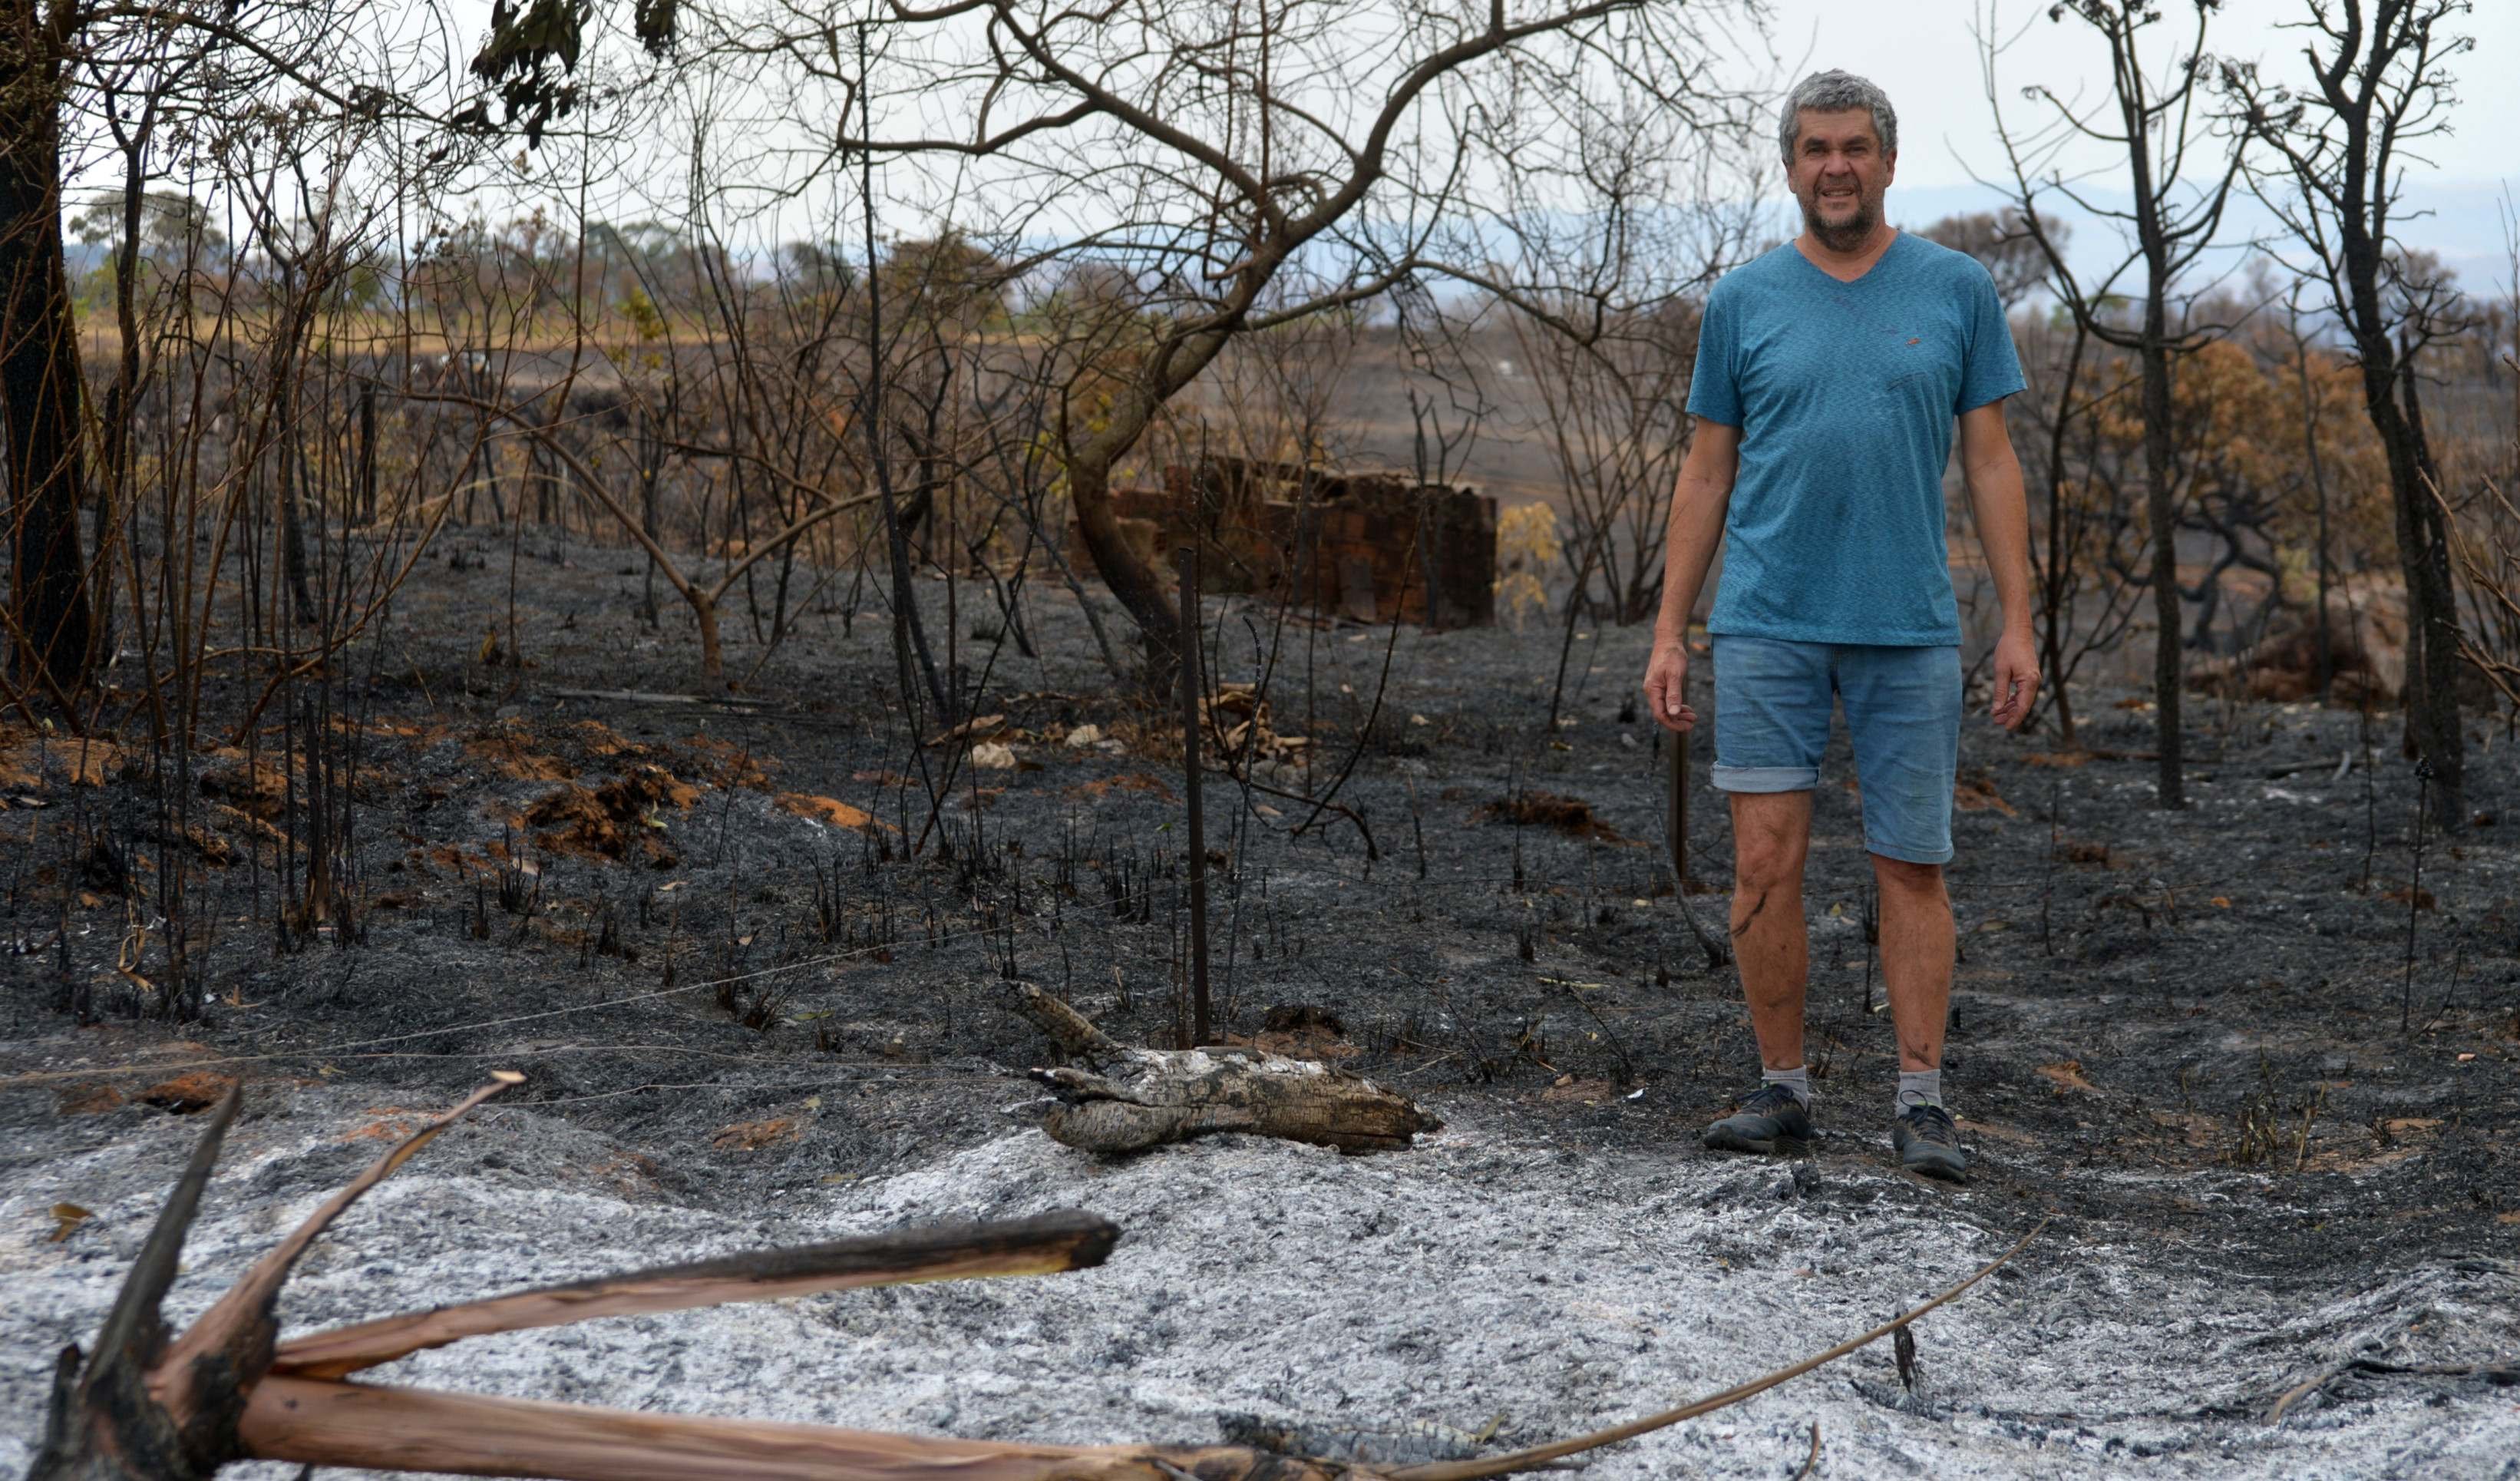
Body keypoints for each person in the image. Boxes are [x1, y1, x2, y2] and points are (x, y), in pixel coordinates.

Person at [1640, 70, 2038, 1182]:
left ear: (1888, 161)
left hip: (1908, 622)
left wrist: (2018, 620)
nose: (1836, 166)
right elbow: (1706, 473)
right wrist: (1672, 630)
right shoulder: (1744, 301)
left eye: (1855, 147)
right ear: (1790, 166)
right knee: (1765, 860)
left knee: (1911, 862)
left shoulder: (1955, 290)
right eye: (1815, 148)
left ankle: (1921, 1101)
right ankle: (1785, 1089)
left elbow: (1993, 459)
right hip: (1766, 619)